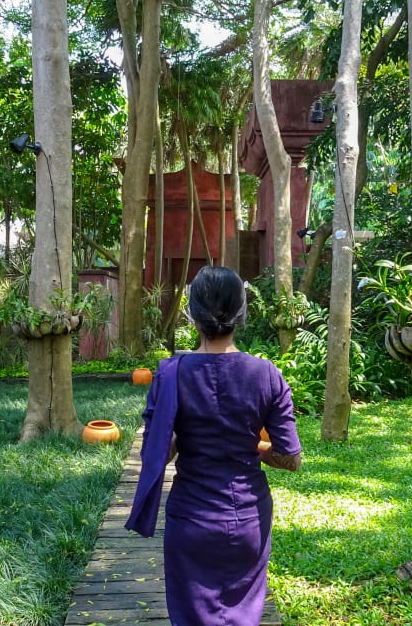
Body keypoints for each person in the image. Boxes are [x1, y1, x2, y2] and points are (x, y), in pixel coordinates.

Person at [125, 265, 303, 626]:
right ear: (242, 313)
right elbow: (291, 458)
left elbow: (159, 453)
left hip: (191, 518)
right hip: (248, 518)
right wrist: (254, 446)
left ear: (192, 315)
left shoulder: (170, 374)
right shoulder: (267, 374)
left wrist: (182, 433)